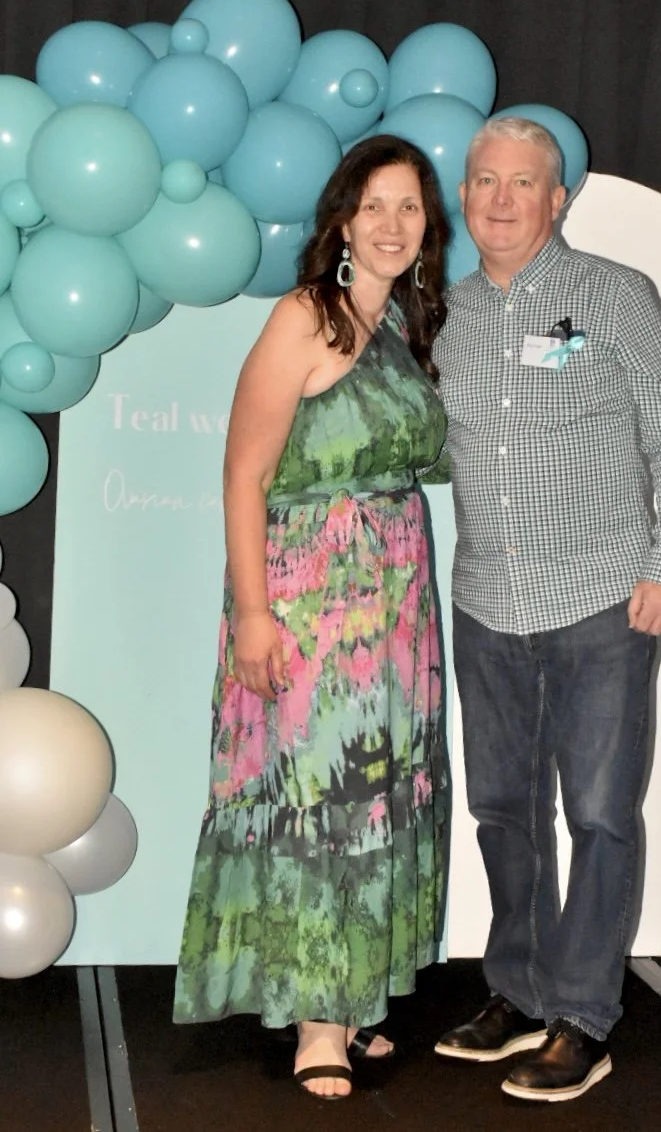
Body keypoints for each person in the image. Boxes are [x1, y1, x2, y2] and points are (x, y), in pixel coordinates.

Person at [431, 117, 661, 1103]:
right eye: (482, 181)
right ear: (462, 197)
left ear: (558, 200)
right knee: (502, 810)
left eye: (523, 182)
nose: (500, 198)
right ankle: (516, 987)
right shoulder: (442, 315)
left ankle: (583, 1014)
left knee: (596, 811)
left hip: (601, 600)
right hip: (485, 603)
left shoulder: (610, 296)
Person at [173, 134, 452, 1102]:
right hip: (311, 605)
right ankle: (318, 1021)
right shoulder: (307, 318)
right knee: (321, 794)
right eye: (372, 205)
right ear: (340, 221)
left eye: (408, 207)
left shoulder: (401, 330)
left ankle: (352, 988)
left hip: (397, 607)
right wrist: (254, 612)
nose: (389, 224)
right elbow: (243, 473)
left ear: (426, 229)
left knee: (379, 794)